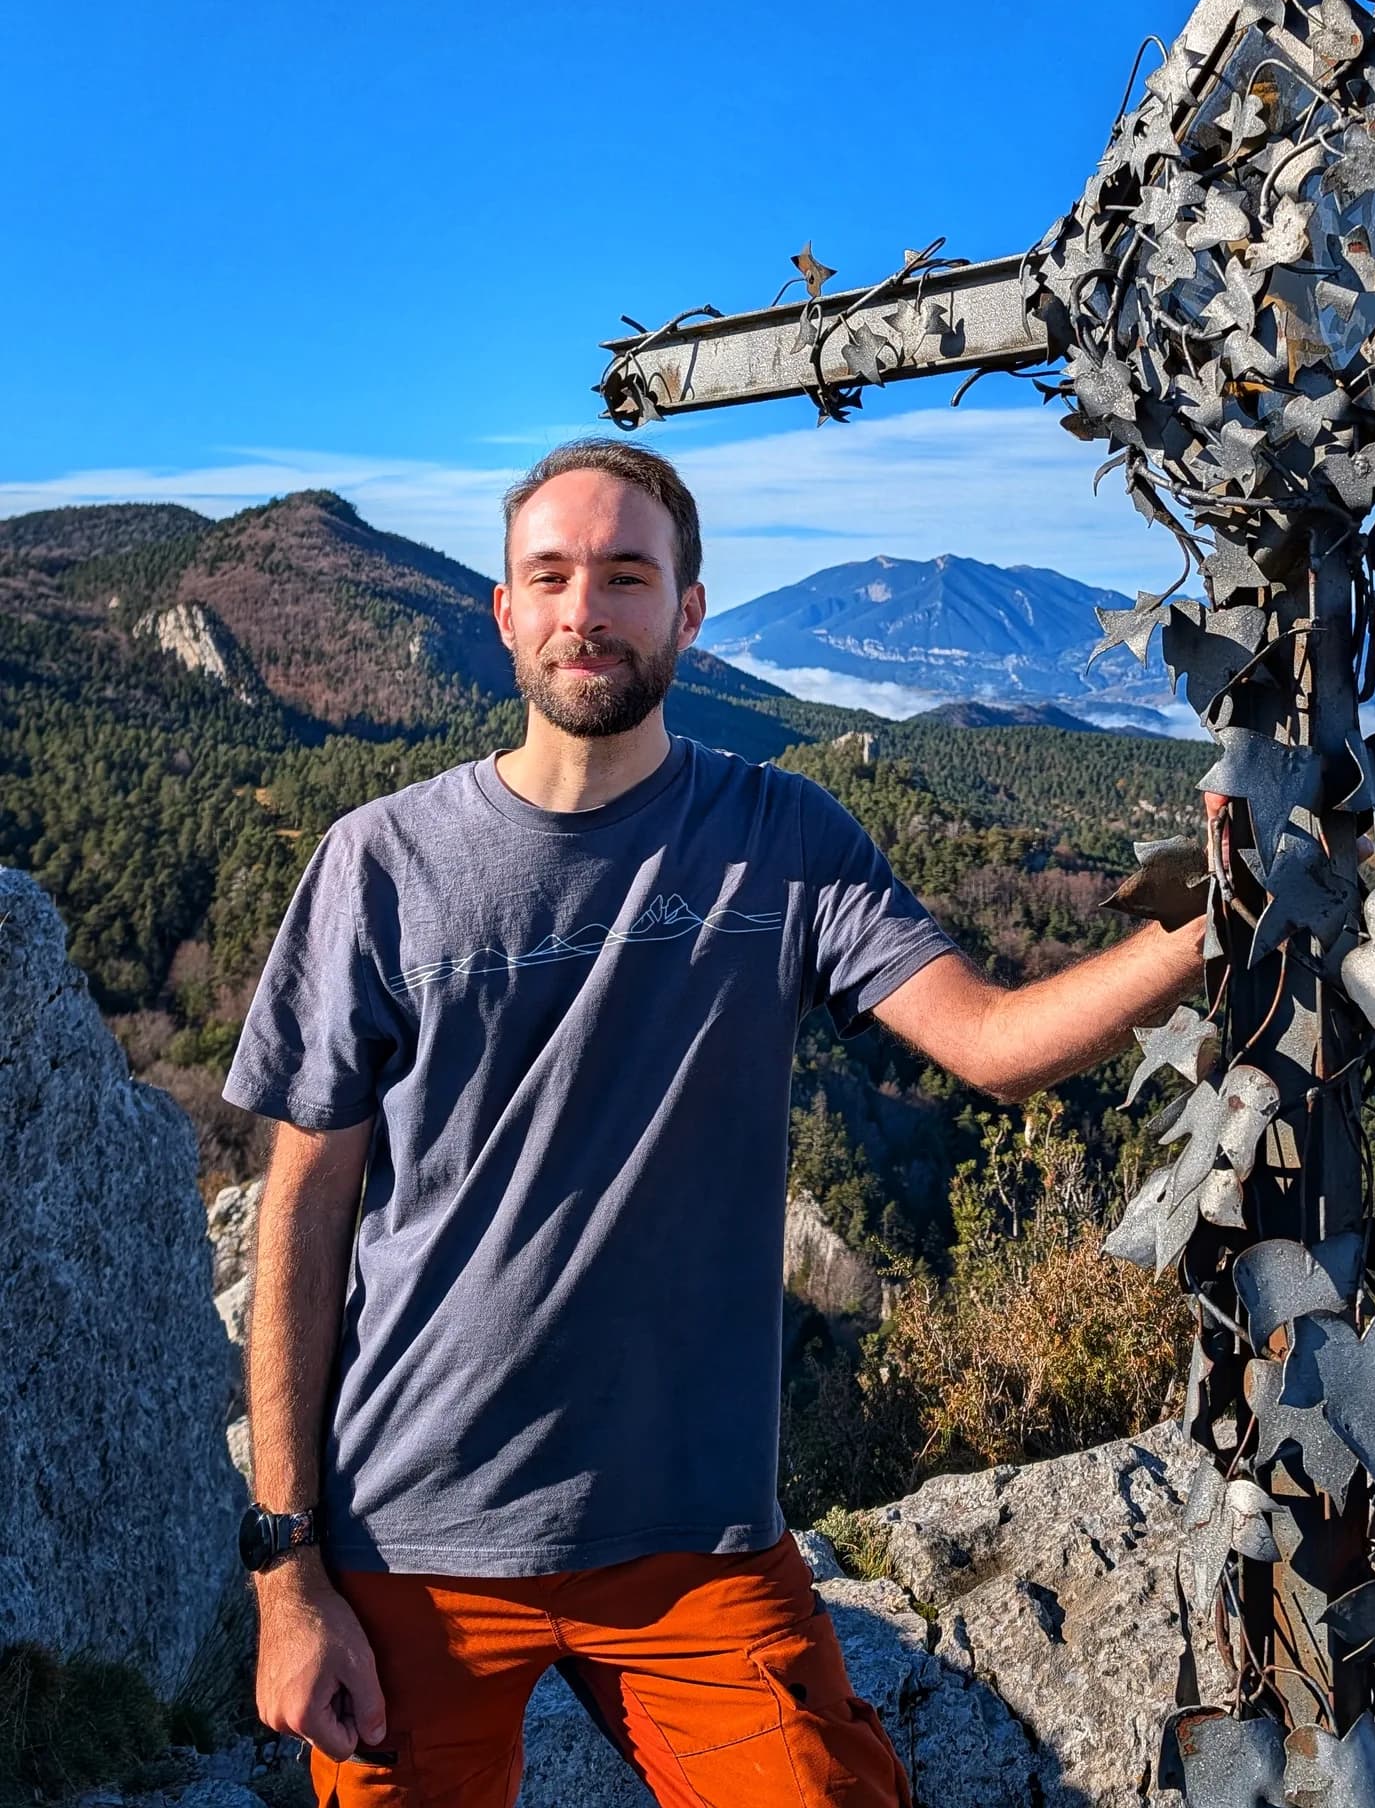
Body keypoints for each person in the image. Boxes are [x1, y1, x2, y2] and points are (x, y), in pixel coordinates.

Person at [225, 437, 1208, 1808]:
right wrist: (290, 1569)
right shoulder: (380, 865)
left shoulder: (784, 840)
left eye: (628, 575)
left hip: (695, 1542)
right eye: (553, 577)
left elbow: (993, 1045)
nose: (587, 610)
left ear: (690, 610)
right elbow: (303, 1213)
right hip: (414, 1540)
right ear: (503, 613)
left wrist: (1219, 920)